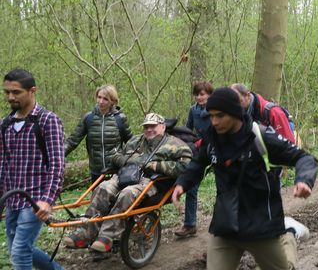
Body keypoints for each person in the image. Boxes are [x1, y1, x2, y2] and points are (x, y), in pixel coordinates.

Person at [171, 87, 318, 270]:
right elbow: (198, 163)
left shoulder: (260, 136)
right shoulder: (211, 139)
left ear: (236, 113)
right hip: (226, 225)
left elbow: (304, 158)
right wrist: (181, 183)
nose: (214, 121)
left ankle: (289, 232)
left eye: (220, 116)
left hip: (260, 223)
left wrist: (305, 180)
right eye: (210, 115)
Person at [0, 68, 80, 270]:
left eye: (16, 93)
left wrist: (48, 199)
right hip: (12, 198)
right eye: (7, 92)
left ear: (32, 91)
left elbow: (58, 165)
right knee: (18, 249)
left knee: (19, 251)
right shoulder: (6, 124)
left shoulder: (48, 121)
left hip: (36, 199)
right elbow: (3, 164)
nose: (10, 97)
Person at [63, 113, 192, 252]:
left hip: (150, 180)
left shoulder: (175, 144)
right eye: (146, 127)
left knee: (127, 193)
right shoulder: (135, 141)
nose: (149, 129)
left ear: (163, 127)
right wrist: (128, 161)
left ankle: (107, 236)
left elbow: (186, 165)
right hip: (125, 175)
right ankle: (85, 233)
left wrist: (157, 166)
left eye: (153, 126)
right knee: (103, 188)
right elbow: (115, 155)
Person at [64, 85, 133, 182]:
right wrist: (57, 156)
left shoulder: (120, 118)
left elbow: (132, 143)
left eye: (105, 99)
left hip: (116, 171)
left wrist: (128, 161)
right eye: (99, 97)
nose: (101, 101)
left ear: (112, 101)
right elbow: (72, 141)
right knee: (97, 197)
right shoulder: (89, 118)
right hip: (96, 171)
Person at [176, 81, 214, 238]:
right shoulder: (193, 110)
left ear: (210, 95)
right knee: (191, 187)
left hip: (218, 150)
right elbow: (188, 129)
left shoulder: (216, 109)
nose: (199, 97)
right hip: (201, 153)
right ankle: (190, 225)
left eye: (202, 94)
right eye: (197, 94)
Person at [230, 83, 295, 143]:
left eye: (239, 101)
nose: (236, 106)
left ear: (248, 96)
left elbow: (288, 144)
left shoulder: (274, 112)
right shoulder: (235, 115)